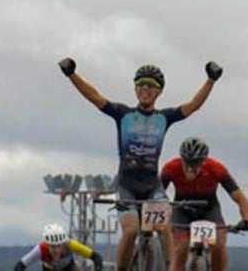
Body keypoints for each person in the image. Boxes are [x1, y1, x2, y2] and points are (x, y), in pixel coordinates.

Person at [60, 58, 222, 270]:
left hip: (152, 186)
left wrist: (211, 80)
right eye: (141, 85)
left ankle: (169, 266)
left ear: (159, 91)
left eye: (151, 85)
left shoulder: (164, 118)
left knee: (164, 227)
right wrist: (72, 74)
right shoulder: (123, 114)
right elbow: (94, 97)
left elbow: (193, 106)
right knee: (131, 231)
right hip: (127, 186)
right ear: (135, 89)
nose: (145, 89)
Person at [160, 137, 248, 271]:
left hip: (209, 210)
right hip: (182, 211)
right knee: (180, 249)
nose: (190, 168)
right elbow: (157, 194)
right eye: (186, 162)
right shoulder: (170, 168)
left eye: (195, 163)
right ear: (181, 159)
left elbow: (240, 198)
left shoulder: (216, 168)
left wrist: (247, 219)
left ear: (204, 161)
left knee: (219, 245)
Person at [13, 222, 103, 270]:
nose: (56, 250)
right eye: (52, 247)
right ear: (47, 244)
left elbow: (97, 257)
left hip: (69, 268)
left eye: (58, 246)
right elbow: (19, 266)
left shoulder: (70, 244)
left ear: (63, 243)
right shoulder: (40, 249)